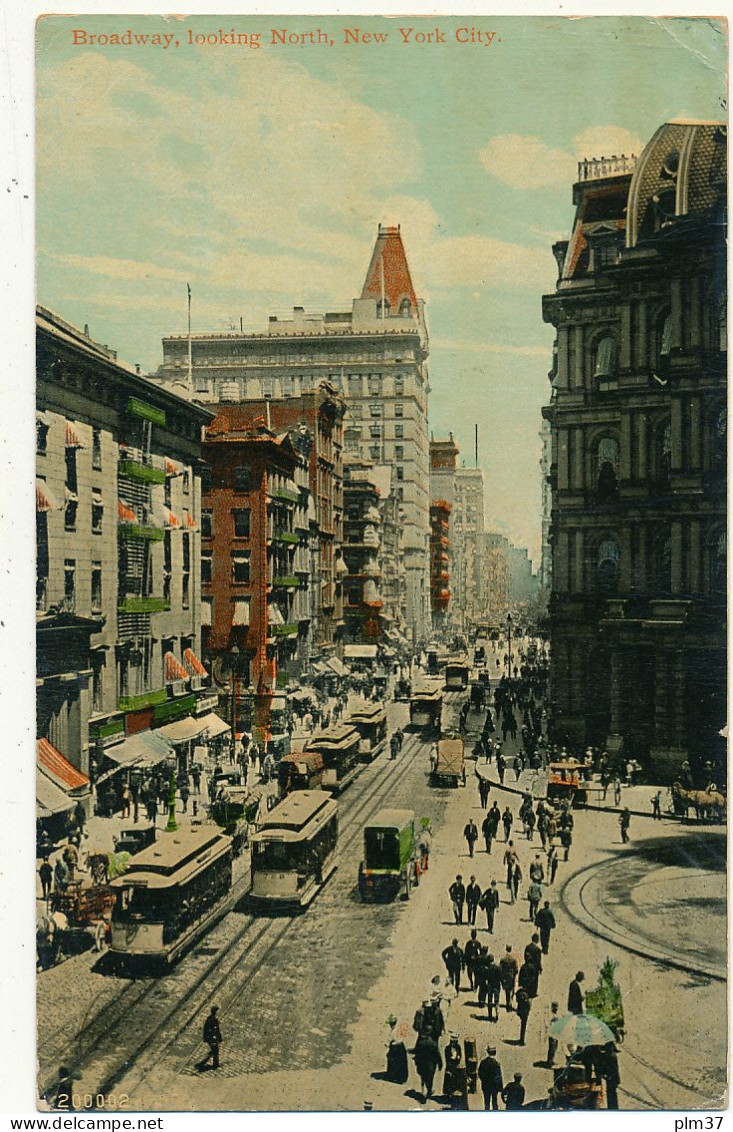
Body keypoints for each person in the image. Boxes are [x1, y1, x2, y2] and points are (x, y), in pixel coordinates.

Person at [413, 1033, 442, 1101]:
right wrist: (440, 1064)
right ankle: (429, 1091)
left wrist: (416, 1063)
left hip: (422, 1064)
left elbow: (417, 1054)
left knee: (423, 1077)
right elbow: (437, 1055)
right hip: (431, 1065)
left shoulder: (420, 1043)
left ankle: (424, 1090)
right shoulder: (434, 1044)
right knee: (430, 1078)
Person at [443, 1035, 467, 1108]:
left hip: (456, 1066)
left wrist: (457, 1058)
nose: (454, 1043)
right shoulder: (447, 1048)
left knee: (455, 1081)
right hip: (450, 1066)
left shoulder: (458, 1047)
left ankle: (453, 1096)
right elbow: (447, 1059)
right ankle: (449, 1096)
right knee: (449, 1081)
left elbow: (460, 1055)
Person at [384, 1015, 409, 1084]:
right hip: (401, 1046)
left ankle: (394, 1076)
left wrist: (387, 1044)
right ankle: (402, 1078)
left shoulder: (392, 1032)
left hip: (395, 1047)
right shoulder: (398, 1029)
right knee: (402, 1062)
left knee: (394, 1062)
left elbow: (389, 1041)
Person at [477, 1046, 503, 1110]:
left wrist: (484, 1081)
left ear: (488, 1052)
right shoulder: (496, 1064)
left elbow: (480, 1073)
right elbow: (498, 1077)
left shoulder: (483, 1062)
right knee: (494, 1102)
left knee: (486, 1103)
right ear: (495, 1052)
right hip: (494, 1087)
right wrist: (500, 1088)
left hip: (485, 1086)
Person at [202, 1005, 223, 1070]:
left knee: (214, 1051)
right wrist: (210, 1038)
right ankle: (215, 1066)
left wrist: (219, 1038)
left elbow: (217, 1030)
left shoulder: (212, 1018)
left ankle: (214, 1064)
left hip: (213, 1038)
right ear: (215, 1012)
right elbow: (210, 1030)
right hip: (212, 1038)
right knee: (215, 1051)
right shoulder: (212, 1020)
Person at [602, 1041, 621, 1109]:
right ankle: (613, 1107)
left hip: (611, 1078)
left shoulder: (609, 1056)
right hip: (613, 1078)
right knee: (612, 1093)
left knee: (611, 1093)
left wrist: (605, 1074)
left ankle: (612, 1107)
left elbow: (611, 1068)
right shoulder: (613, 1056)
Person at [499, 946, 518, 1011]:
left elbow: (500, 970)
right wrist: (514, 975)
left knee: (507, 991)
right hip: (511, 976)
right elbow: (516, 969)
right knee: (512, 989)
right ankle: (510, 1003)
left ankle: (507, 1003)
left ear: (506, 949)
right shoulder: (513, 960)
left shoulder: (503, 960)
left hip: (505, 977)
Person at [485, 953, 502, 1022]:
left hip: (490, 986)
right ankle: (497, 1015)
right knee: (496, 1001)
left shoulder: (487, 968)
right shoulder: (497, 967)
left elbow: (485, 977)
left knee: (489, 1001)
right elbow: (500, 976)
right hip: (496, 986)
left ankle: (490, 1015)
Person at [544, 1001, 560, 1067]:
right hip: (552, 1034)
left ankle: (552, 1060)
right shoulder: (551, 1015)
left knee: (555, 1048)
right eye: (555, 1007)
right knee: (552, 1048)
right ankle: (549, 1062)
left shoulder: (555, 1014)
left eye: (557, 1007)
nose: (556, 1008)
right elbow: (548, 1024)